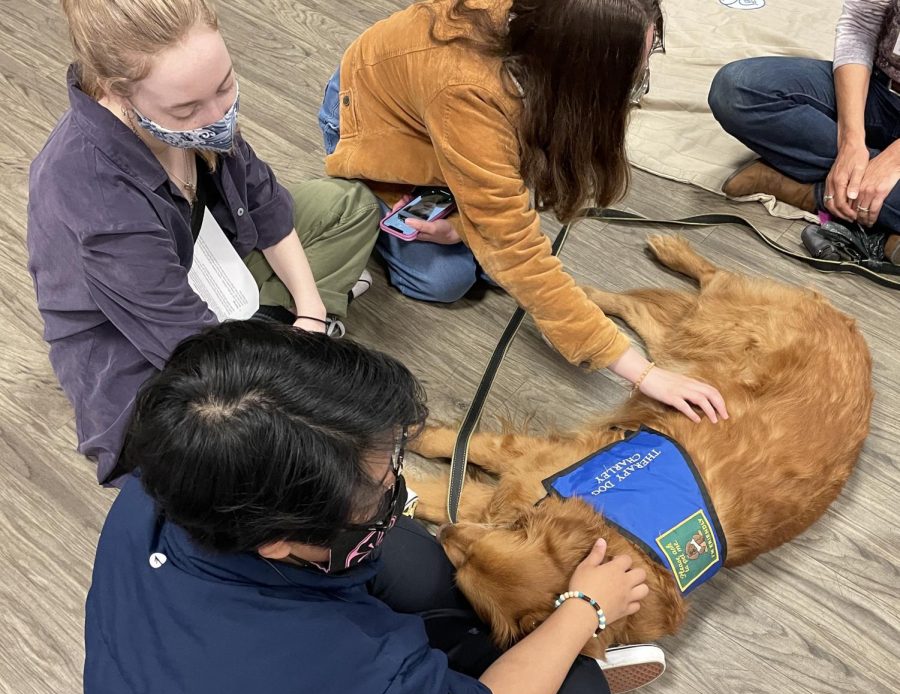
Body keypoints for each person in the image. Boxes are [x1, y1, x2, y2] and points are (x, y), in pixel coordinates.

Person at [84, 320, 657, 694]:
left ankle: (487, 654)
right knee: (578, 690)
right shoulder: (333, 670)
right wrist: (584, 609)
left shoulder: (170, 474)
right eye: (384, 481)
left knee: (408, 555)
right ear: (280, 541)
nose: (397, 483)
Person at [318, 0, 729, 426]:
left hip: (450, 135)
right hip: (372, 129)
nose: (641, 77)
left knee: (490, 262)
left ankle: (464, 214)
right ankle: (365, 209)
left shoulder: (526, 59)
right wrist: (642, 372)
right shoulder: (468, 92)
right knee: (445, 280)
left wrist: (466, 227)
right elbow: (516, 251)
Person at [26, 0, 381, 485]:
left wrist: (311, 312)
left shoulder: (196, 110)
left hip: (213, 267)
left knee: (350, 206)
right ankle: (276, 335)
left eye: (225, 86)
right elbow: (189, 347)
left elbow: (264, 204)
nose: (218, 117)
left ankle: (280, 328)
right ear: (117, 93)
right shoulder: (96, 196)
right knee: (259, 458)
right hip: (147, 353)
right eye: (187, 108)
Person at [708, 0, 900, 265]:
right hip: (880, 90)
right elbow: (859, 26)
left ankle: (810, 192)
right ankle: (873, 205)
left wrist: (895, 159)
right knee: (736, 90)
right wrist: (850, 140)